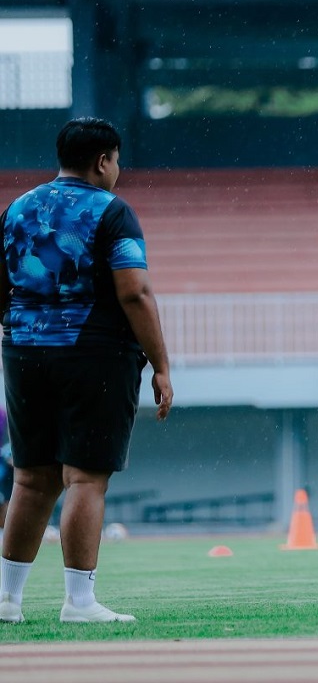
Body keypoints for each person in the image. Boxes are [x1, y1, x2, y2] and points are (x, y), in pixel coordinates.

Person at [0, 118, 173, 625]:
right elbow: (134, 291)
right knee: (85, 479)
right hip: (94, 354)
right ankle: (79, 603)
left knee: (30, 480)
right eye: (116, 161)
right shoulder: (112, 212)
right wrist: (161, 365)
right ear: (103, 160)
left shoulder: (17, 209)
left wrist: (22, 339)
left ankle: (7, 600)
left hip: (25, 352)